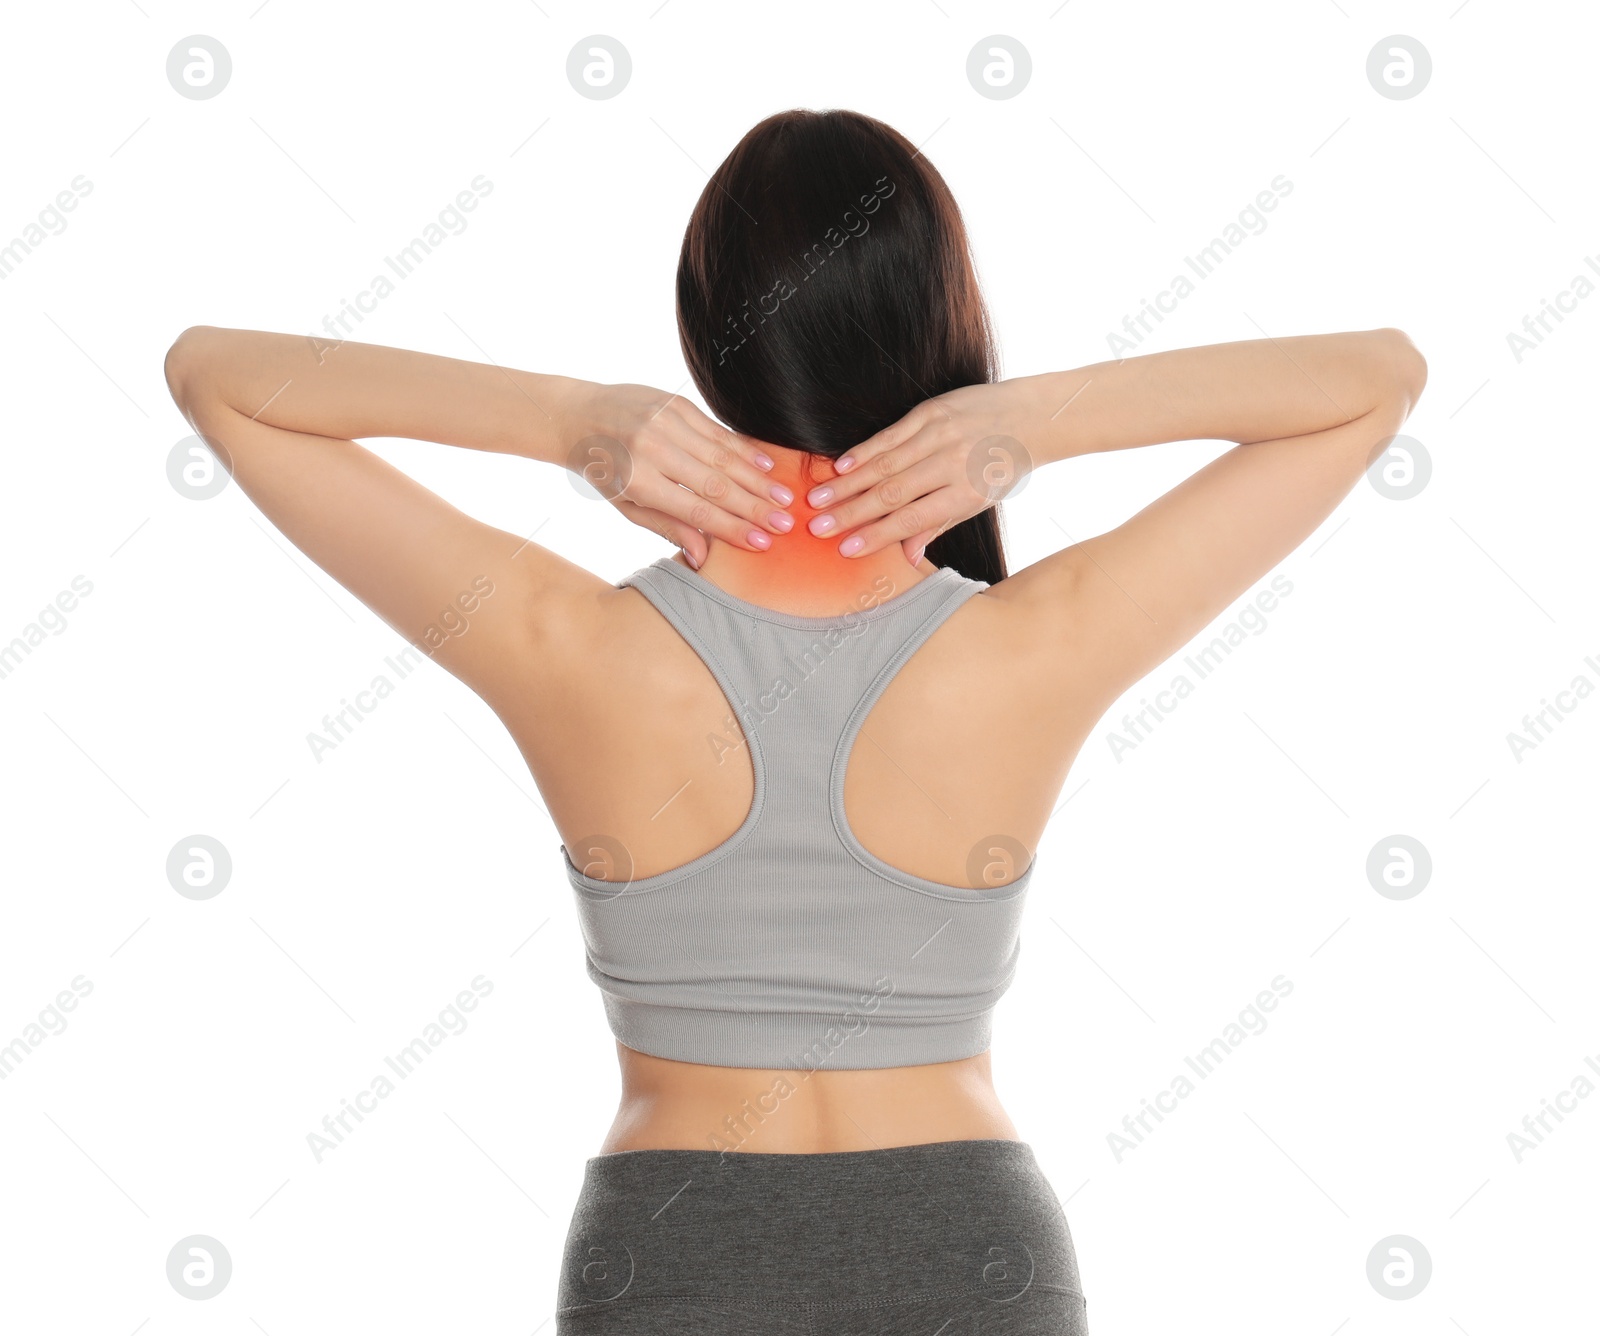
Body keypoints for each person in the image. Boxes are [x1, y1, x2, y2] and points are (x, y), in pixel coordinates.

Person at [163, 108, 1425, 1334]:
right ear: (943, 324)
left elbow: (215, 376)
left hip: (676, 1253)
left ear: (708, 337)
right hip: (969, 1246)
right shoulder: (1034, 642)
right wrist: (1036, 421)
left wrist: (568, 422)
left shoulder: (566, 642)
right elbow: (1376, 379)